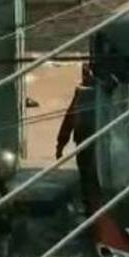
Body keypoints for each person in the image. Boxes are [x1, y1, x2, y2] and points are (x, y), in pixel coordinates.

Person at [56, 64, 100, 214]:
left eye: (87, 72)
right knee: (87, 178)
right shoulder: (81, 93)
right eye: (84, 73)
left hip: (99, 143)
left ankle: (95, 209)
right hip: (83, 142)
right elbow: (69, 118)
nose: (85, 76)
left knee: (95, 178)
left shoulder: (103, 92)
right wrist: (61, 144)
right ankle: (90, 210)